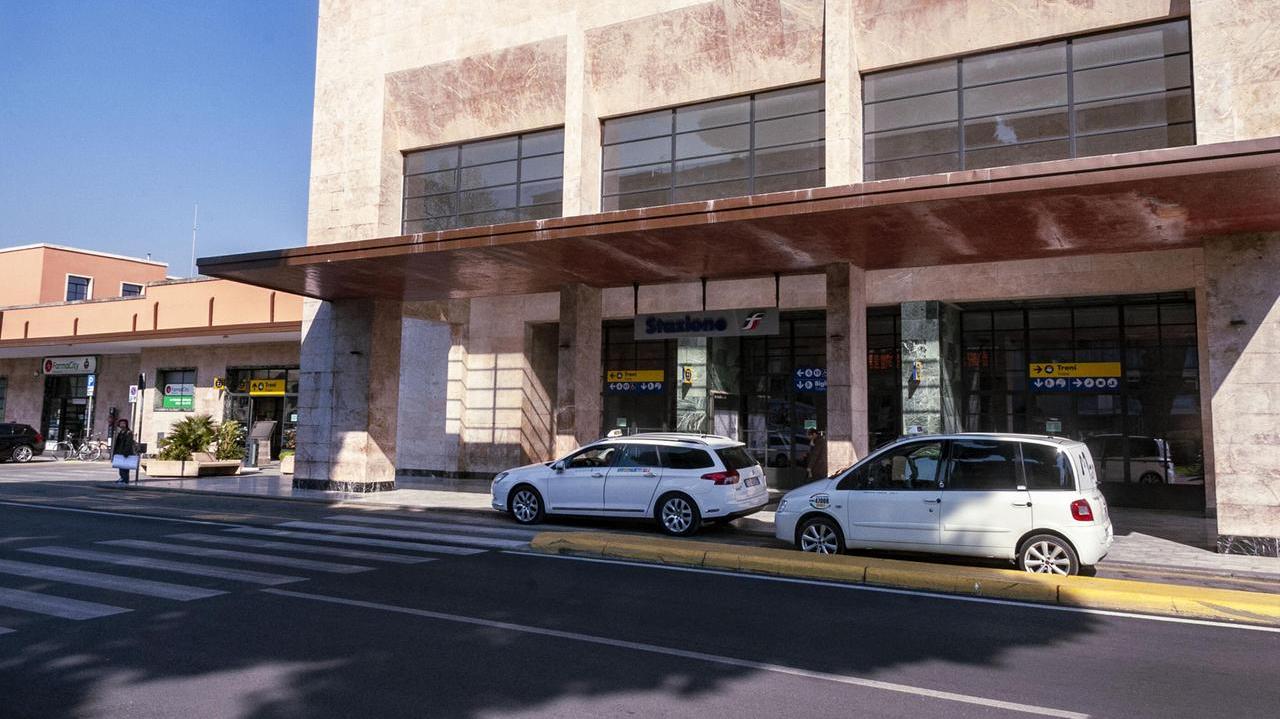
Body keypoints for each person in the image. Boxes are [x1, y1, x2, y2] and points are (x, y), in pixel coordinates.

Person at [112, 419, 136, 484]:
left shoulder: (128, 432)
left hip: (125, 453)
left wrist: (126, 452)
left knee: (125, 467)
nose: (122, 425)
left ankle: (125, 480)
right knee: (121, 467)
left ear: (126, 424)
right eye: (121, 423)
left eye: (123, 423)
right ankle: (122, 478)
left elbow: (128, 443)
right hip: (119, 452)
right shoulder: (120, 432)